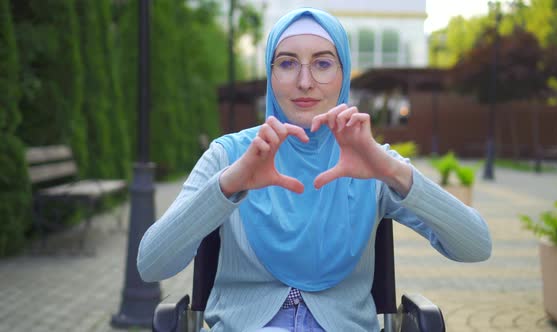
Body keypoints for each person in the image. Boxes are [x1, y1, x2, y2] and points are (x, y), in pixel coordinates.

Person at [137, 7, 492, 332]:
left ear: (344, 73)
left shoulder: (371, 161)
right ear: (270, 74)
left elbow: (476, 246)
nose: (305, 81)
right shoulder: (229, 156)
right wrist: (230, 185)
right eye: (288, 63)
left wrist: (394, 173)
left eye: (322, 64)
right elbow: (151, 265)